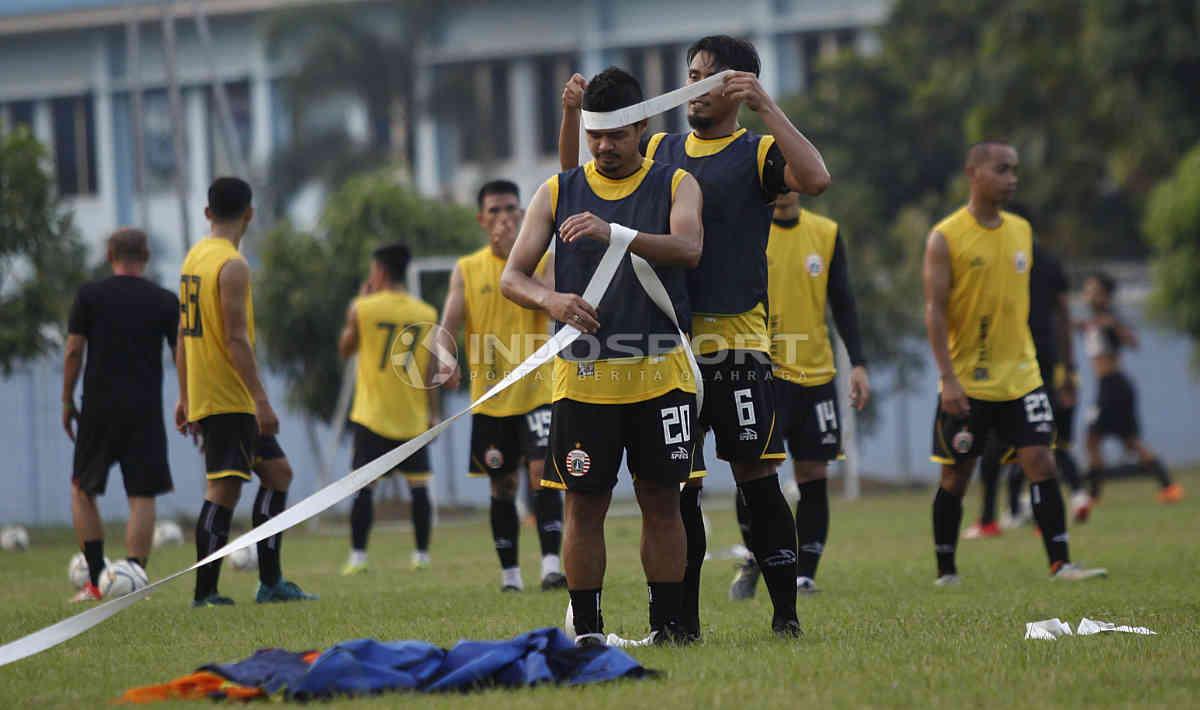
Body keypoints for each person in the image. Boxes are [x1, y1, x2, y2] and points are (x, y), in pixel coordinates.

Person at [560, 34, 830, 639]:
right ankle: (682, 624)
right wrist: (576, 113)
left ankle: (785, 615)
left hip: (736, 341)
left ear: (737, 84)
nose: (692, 85)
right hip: (665, 342)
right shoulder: (659, 148)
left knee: (756, 476)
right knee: (677, 487)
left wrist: (767, 105)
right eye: (689, 73)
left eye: (705, 75)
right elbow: (574, 181)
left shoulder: (757, 151)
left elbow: (815, 179)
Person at [503, 67, 704, 645]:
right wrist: (553, 299)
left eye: (615, 135)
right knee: (583, 509)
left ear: (641, 125)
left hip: (660, 375)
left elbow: (688, 249)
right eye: (594, 135)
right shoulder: (557, 190)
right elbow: (513, 277)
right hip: (584, 380)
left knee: (661, 503)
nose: (603, 147)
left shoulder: (675, 184)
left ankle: (669, 626)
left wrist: (612, 231)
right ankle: (587, 631)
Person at [922, 142, 1106, 584]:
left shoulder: (1022, 231)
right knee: (956, 476)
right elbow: (935, 310)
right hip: (967, 381)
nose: (1012, 178)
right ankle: (946, 568)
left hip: (1022, 376)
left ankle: (1060, 563)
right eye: (1002, 170)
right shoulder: (945, 236)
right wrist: (948, 378)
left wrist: (1061, 369)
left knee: (1041, 461)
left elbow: (1047, 303)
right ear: (974, 173)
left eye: (1015, 170)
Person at [176, 177, 316, 606]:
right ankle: (205, 593)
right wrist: (261, 400)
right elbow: (236, 339)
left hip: (209, 390)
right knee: (223, 488)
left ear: (207, 213)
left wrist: (184, 394)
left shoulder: (194, 258)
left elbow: (181, 336)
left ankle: (271, 583)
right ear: (250, 214)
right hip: (229, 394)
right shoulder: (231, 265)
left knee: (277, 475)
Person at [729, 192, 869, 600]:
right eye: (779, 176)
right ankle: (758, 555)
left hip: (817, 376)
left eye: (793, 176)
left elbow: (842, 301)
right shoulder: (748, 230)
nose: (787, 186)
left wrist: (858, 362)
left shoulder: (825, 233)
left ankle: (804, 574)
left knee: (814, 476)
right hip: (763, 374)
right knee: (755, 477)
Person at [437, 180, 566, 592]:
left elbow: (552, 301)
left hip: (538, 391)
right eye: (494, 211)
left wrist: (518, 259)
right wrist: (446, 359)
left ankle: (550, 565)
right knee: (502, 484)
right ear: (481, 219)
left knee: (541, 472)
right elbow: (447, 326)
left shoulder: (542, 260)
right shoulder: (467, 269)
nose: (503, 218)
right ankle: (510, 574)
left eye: (511, 209)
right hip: (491, 398)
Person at [62, 228, 178, 602]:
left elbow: (73, 352)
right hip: (144, 410)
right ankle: (133, 578)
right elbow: (182, 357)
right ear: (145, 256)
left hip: (98, 408)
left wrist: (66, 400)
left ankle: (97, 580)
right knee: (141, 495)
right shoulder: (163, 301)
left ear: (110, 254)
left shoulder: (90, 296)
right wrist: (187, 401)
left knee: (82, 489)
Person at [964, 241, 1090, 538]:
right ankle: (1068, 498)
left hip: (1007, 363)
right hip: (1043, 364)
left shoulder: (994, 257)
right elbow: (1063, 315)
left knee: (1001, 447)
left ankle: (991, 519)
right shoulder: (1048, 263)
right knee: (1042, 443)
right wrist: (1069, 369)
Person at [338, 242, 441, 575]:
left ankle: (358, 557)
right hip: (412, 415)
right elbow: (430, 370)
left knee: (364, 489)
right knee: (420, 488)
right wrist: (433, 412)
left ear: (379, 271)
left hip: (372, 415)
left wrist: (356, 306)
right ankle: (422, 555)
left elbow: (346, 348)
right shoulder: (426, 313)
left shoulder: (362, 308)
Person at [1080, 272, 1183, 503]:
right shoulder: (1092, 321)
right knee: (1126, 441)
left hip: (1114, 386)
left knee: (1094, 438)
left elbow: (1132, 342)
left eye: (1093, 291)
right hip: (1107, 386)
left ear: (1105, 296)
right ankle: (1168, 486)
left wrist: (1115, 327)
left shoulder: (1110, 319)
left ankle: (1092, 496)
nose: (1088, 295)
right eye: (1087, 290)